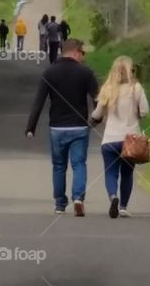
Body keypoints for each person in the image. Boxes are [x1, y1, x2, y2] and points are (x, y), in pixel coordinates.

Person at [26, 38, 98, 215]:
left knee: (59, 166)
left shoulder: (50, 73)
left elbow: (38, 102)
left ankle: (59, 203)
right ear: (75, 51)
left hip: (57, 128)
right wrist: (97, 118)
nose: (83, 56)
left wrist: (30, 127)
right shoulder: (86, 73)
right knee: (79, 163)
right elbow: (98, 98)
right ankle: (78, 198)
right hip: (79, 127)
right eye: (82, 53)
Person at [91, 56, 150, 218]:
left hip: (110, 138)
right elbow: (145, 111)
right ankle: (123, 206)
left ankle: (113, 196)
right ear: (130, 71)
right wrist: (136, 114)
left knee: (110, 173)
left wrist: (95, 118)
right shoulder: (136, 88)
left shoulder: (107, 89)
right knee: (127, 173)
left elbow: (97, 114)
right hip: (130, 140)